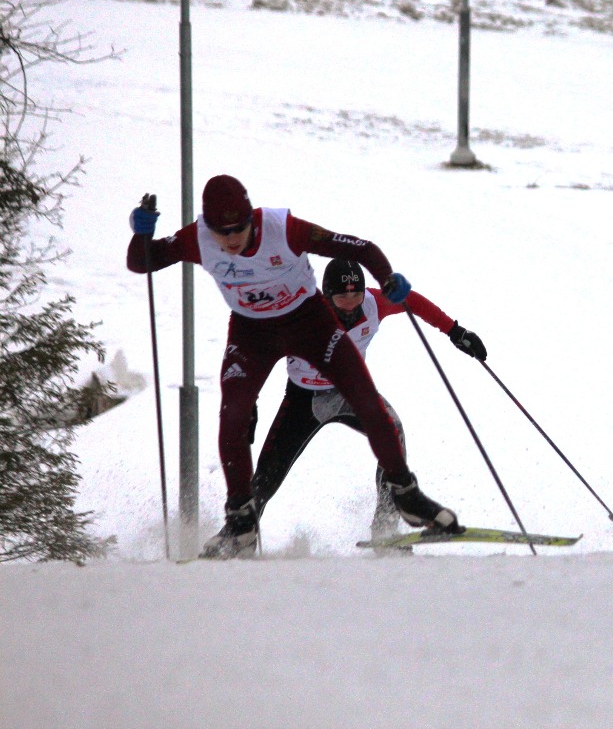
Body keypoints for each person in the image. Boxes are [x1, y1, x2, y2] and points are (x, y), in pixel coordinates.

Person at [126, 175, 469, 558]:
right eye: (223, 232)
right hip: (254, 335)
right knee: (234, 416)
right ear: (208, 226)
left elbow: (362, 248)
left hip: (308, 324)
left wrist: (394, 283)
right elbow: (142, 261)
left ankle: (405, 496)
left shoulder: (281, 229)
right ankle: (240, 523)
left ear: (252, 218)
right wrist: (141, 234)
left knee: (370, 402)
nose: (232, 239)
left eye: (240, 228)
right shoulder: (198, 238)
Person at [249, 259, 486, 545]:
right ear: (326, 295)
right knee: (266, 476)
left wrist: (455, 331)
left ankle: (385, 526)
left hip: (352, 391)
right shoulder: (304, 317)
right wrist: (250, 400)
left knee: (393, 431)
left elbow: (412, 301)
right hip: (305, 399)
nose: (350, 303)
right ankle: (242, 533)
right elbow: (259, 352)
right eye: (341, 296)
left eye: (355, 295)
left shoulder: (374, 304)